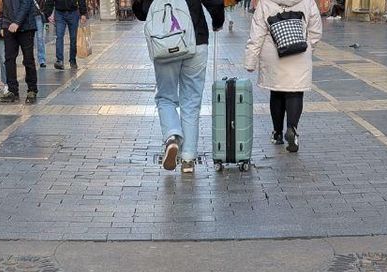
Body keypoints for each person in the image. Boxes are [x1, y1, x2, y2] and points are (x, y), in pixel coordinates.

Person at [134, 0, 226, 174]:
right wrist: (218, 22)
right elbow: (214, 2)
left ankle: (172, 137)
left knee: (165, 97)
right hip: (196, 40)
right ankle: (188, 159)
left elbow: (141, 11)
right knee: (191, 102)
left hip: (164, 42)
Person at [244, 0, 322, 153]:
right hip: (299, 52)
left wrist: (250, 62)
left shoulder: (265, 3)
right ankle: (292, 129)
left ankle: (277, 133)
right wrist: (307, 48)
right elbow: (316, 30)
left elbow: (257, 35)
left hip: (273, 55)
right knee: (295, 92)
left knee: (277, 91)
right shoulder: (308, 2)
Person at [0, 0, 41, 103]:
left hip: (26, 26)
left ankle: (32, 90)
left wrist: (17, 22)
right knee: (9, 59)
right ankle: (12, 91)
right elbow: (4, 7)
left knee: (28, 60)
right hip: (9, 26)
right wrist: (3, 24)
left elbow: (26, 3)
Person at [44, 0, 88, 70]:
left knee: (73, 38)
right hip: (59, 13)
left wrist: (83, 13)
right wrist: (48, 13)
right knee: (59, 37)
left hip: (73, 13)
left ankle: (72, 60)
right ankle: (59, 60)